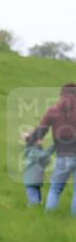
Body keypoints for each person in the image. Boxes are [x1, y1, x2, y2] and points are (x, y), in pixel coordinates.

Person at [26, 82, 76, 215]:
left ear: (62, 94)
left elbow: (40, 131)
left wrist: (29, 141)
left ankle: (49, 217)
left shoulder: (53, 111)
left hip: (63, 155)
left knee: (55, 188)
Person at [21, 136, 54, 206]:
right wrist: (54, 145)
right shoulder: (31, 150)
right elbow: (42, 156)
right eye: (40, 138)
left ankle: (33, 213)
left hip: (36, 180)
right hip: (31, 180)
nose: (42, 139)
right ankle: (29, 214)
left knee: (39, 202)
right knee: (34, 202)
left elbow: (46, 161)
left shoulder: (39, 150)